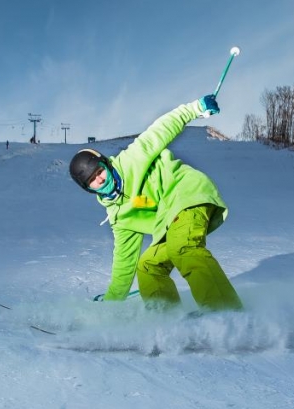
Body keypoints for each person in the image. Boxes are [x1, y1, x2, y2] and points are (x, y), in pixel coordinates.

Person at [68, 94, 243, 312]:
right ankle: (165, 320)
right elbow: (124, 263)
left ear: (105, 164)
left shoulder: (131, 160)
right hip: (169, 221)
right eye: (92, 180)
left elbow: (162, 128)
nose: (100, 179)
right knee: (148, 266)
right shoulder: (120, 217)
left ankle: (226, 313)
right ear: (88, 188)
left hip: (186, 193)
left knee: (183, 247)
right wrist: (111, 306)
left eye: (100, 172)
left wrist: (195, 108)